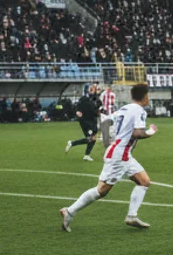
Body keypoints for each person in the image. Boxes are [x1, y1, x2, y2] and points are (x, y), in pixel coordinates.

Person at [59, 83, 157, 230]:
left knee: (144, 181)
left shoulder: (125, 108)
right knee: (101, 190)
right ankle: (70, 211)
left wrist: (107, 144)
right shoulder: (140, 111)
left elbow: (105, 122)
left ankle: (132, 216)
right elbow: (137, 133)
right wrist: (151, 131)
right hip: (120, 155)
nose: (148, 98)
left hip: (122, 153)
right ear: (144, 97)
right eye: (148, 96)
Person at [65, 86, 101, 161]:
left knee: (93, 139)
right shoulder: (88, 102)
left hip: (87, 122)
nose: (93, 91)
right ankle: (72, 143)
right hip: (88, 123)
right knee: (90, 138)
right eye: (92, 90)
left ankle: (86, 155)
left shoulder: (86, 101)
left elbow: (77, 110)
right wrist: (98, 110)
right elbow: (94, 112)